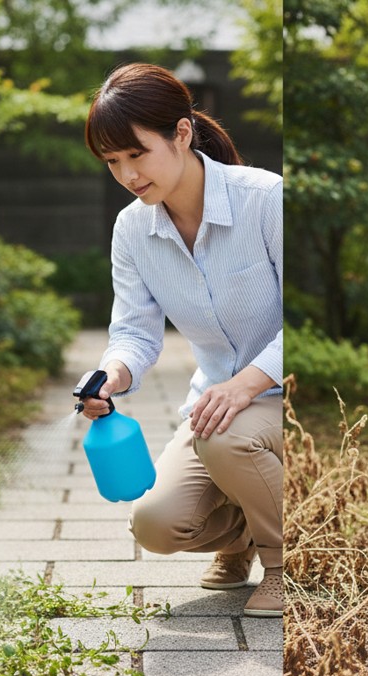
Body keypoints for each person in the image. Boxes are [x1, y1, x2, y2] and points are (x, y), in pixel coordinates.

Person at [79, 63, 283, 618]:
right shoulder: (132, 230)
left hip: (286, 399)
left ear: (182, 133)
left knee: (227, 439)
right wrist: (111, 376)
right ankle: (244, 535)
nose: (127, 174)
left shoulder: (266, 200)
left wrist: (246, 384)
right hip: (217, 409)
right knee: (155, 524)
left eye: (137, 153)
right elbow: (134, 331)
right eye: (112, 162)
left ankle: (286, 564)